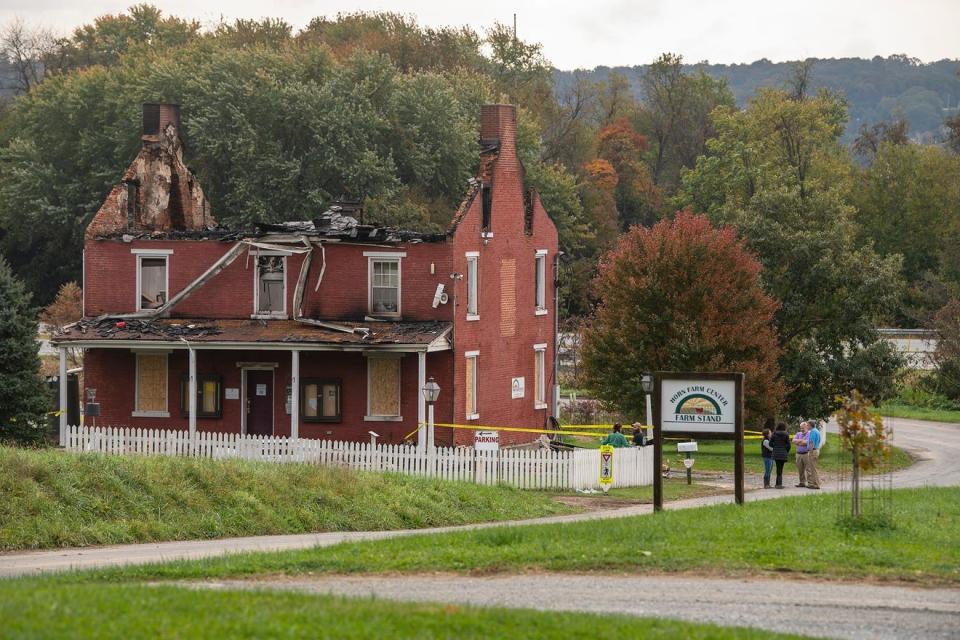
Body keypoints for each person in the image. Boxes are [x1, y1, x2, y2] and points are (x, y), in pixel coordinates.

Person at [770, 422, 791, 489]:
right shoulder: (786, 434)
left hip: (776, 453)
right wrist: (785, 450)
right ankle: (779, 484)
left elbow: (770, 444)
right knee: (780, 469)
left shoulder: (774, 434)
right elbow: (789, 445)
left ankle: (778, 484)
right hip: (783, 454)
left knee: (778, 468)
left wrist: (775, 446)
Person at [805, 420, 822, 490]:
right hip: (816, 450)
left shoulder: (812, 431)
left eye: (807, 425)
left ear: (810, 425)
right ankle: (814, 483)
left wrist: (810, 451)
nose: (807, 426)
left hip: (813, 451)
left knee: (813, 468)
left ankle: (816, 484)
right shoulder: (817, 431)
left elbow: (811, 442)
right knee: (813, 468)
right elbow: (819, 440)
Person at [793, 421, 810, 487]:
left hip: (806, 454)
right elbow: (793, 441)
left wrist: (798, 441)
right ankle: (802, 482)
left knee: (808, 469)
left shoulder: (809, 433)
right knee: (800, 469)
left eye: (803, 428)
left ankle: (810, 483)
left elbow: (806, 442)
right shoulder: (798, 433)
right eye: (801, 428)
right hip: (798, 454)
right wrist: (801, 441)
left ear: (807, 427)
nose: (802, 429)